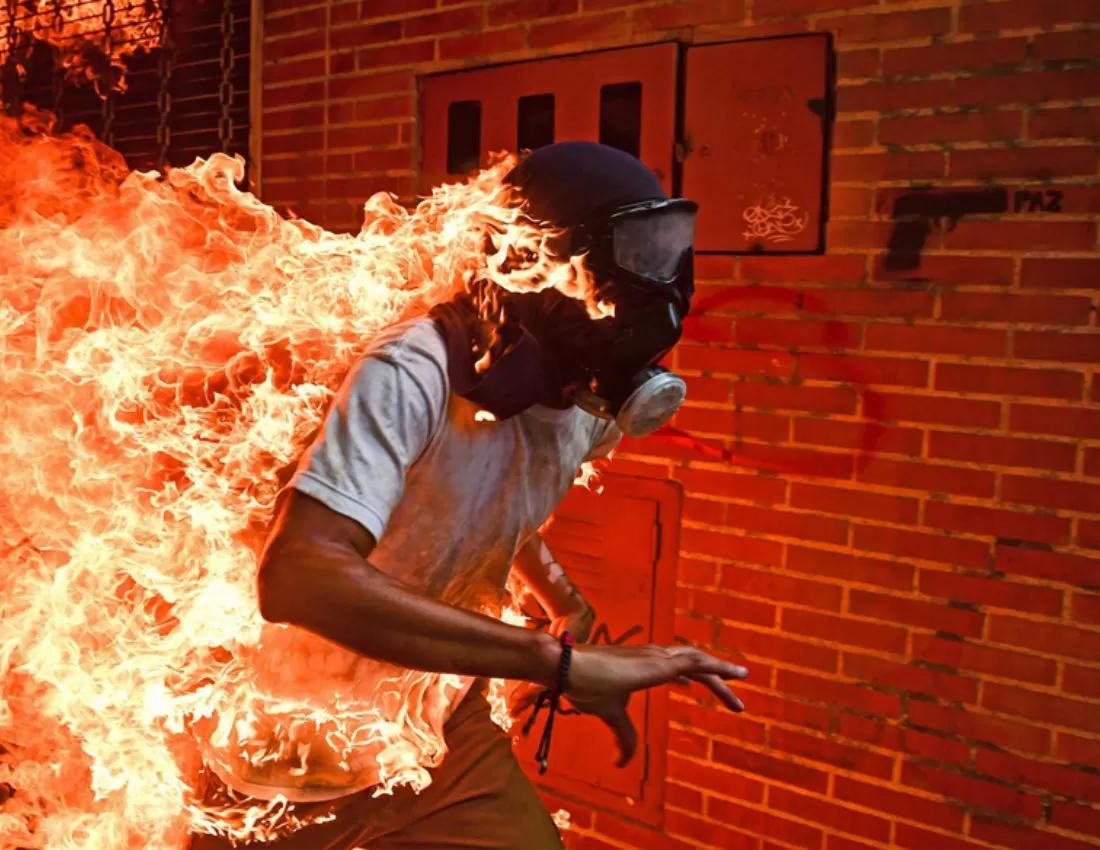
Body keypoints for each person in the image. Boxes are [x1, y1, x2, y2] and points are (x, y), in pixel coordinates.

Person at [192, 142, 748, 850]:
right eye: (634, 252)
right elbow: (299, 573)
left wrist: (568, 611)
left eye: (669, 251)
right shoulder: (412, 371)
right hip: (297, 746)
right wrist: (557, 662)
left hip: (440, 723)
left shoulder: (584, 408)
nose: (657, 290)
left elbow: (494, 509)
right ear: (533, 263)